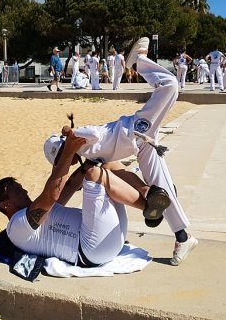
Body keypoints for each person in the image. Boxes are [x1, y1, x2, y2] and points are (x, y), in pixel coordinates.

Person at [43, 38, 197, 265]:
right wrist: (50, 206)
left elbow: (80, 132)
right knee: (162, 187)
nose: (67, 161)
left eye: (60, 156)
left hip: (134, 131)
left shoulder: (80, 140)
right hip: (141, 145)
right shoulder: (87, 158)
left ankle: (139, 60)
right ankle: (182, 237)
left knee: (170, 85)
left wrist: (68, 133)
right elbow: (69, 185)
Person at [0, 131, 168, 267]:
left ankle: (149, 193)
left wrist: (85, 156)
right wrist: (68, 151)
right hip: (92, 250)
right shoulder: (17, 226)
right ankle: (149, 207)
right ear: (6, 204)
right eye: (18, 190)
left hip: (108, 239)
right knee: (94, 175)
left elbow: (69, 185)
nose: (25, 191)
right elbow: (52, 194)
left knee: (106, 165)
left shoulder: (37, 211)